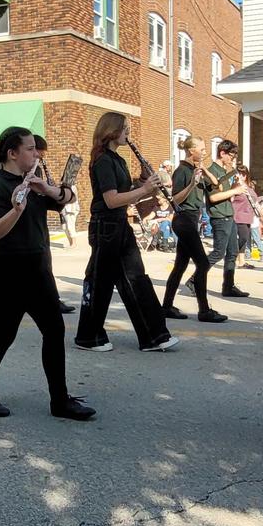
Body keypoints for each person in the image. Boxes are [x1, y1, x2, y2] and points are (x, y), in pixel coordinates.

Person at [0, 128, 93, 420]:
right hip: (6, 272)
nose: (36, 154)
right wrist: (16, 209)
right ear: (12, 153)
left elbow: (67, 198)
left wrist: (47, 189)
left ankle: (60, 401)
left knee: (54, 330)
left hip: (38, 270)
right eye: (30, 149)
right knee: (3, 335)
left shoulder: (33, 181)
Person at [73, 112, 175, 353]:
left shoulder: (117, 159)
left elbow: (126, 192)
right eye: (125, 128)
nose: (128, 132)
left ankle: (154, 336)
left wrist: (142, 182)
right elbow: (111, 200)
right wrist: (145, 189)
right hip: (105, 225)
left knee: (136, 277)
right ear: (112, 130)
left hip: (118, 225)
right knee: (100, 282)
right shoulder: (103, 160)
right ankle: (88, 336)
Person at [161, 137, 228, 323]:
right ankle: (204, 310)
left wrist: (204, 169)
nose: (205, 152)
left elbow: (216, 184)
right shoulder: (182, 171)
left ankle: (166, 306)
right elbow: (174, 200)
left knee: (180, 266)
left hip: (193, 219)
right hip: (184, 219)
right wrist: (191, 184)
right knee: (203, 264)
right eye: (202, 149)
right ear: (192, 151)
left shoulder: (195, 170)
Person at [204, 139, 250, 298]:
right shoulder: (212, 171)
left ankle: (228, 286)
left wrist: (235, 186)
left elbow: (225, 194)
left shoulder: (224, 171)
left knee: (232, 253)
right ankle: (195, 279)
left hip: (228, 214)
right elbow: (214, 197)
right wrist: (235, 191)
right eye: (231, 155)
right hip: (219, 216)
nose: (233, 158)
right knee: (218, 252)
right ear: (222, 153)